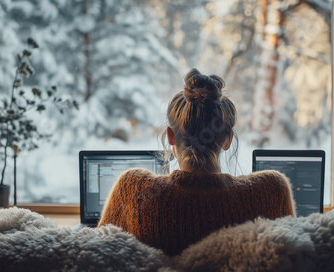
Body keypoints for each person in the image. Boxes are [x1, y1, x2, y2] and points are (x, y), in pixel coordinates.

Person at [98, 68, 295, 256]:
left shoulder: (132, 189)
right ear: (228, 140)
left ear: (170, 136)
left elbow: (98, 254)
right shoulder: (272, 191)